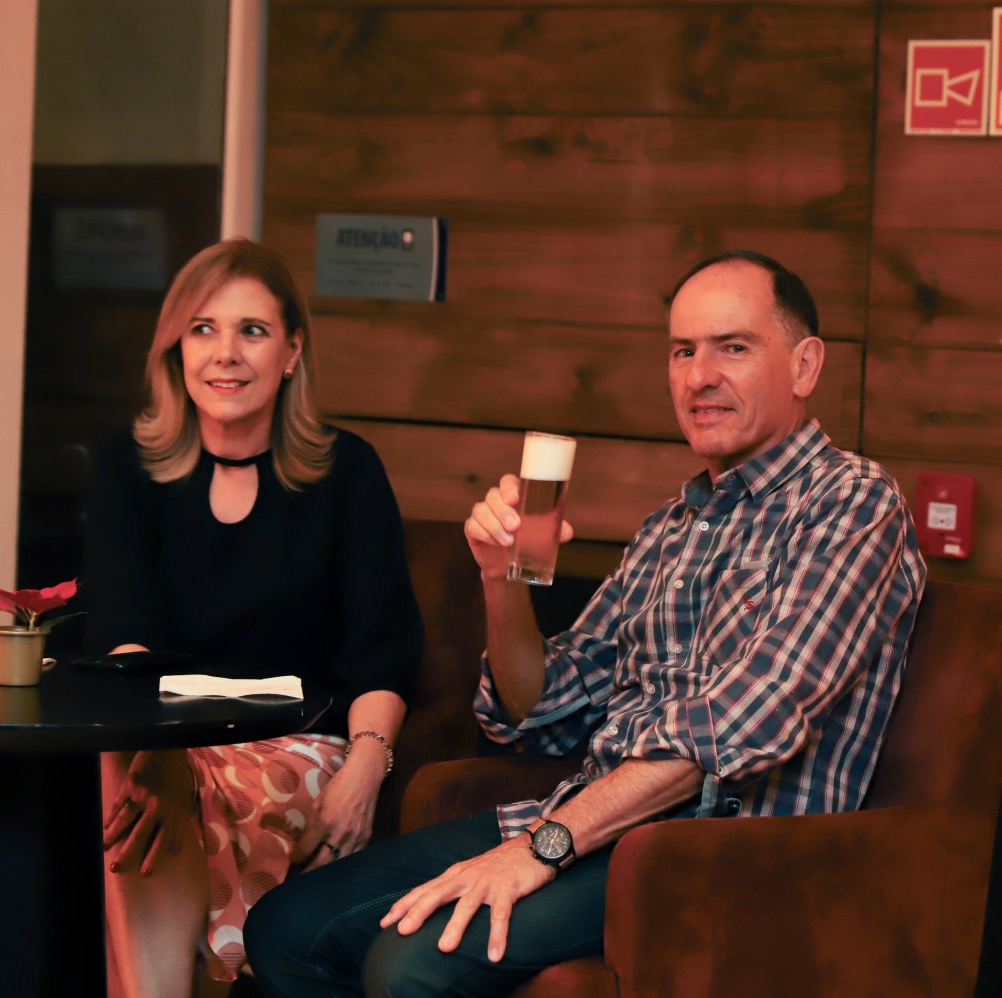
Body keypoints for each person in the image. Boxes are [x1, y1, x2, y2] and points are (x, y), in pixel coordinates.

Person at [244, 250, 926, 997]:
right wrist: (501, 580)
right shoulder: (671, 527)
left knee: (410, 967)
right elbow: (540, 711)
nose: (699, 376)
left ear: (804, 365)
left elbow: (743, 723)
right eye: (682, 351)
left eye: (733, 347)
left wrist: (545, 847)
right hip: (592, 826)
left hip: (715, 856)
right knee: (285, 928)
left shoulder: (852, 502)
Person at [81, 237, 423, 997]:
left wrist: (367, 768)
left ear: (292, 351)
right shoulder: (124, 468)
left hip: (297, 743)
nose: (225, 353)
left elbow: (384, 646)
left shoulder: (348, 471)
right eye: (203, 329)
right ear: (176, 349)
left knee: (166, 799)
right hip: (161, 737)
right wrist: (161, 754)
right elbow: (121, 630)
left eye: (253, 331)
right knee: (127, 784)